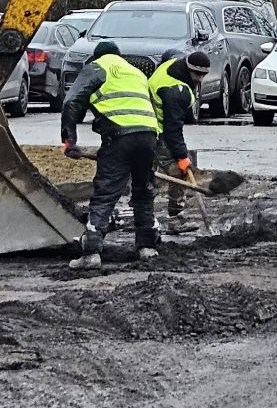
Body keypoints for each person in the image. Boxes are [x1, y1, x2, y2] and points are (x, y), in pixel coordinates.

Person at [60, 40, 161, 270]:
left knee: (106, 193)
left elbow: (72, 101)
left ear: (97, 57)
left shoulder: (98, 67)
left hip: (119, 136)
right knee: (143, 191)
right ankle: (147, 248)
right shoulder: (135, 72)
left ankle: (92, 253)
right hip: (149, 136)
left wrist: (69, 140)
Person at [148, 50, 209, 226]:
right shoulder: (176, 92)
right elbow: (172, 129)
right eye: (197, 74)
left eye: (204, 74)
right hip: (158, 130)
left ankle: (140, 211)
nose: (200, 79)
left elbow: (167, 54)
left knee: (145, 172)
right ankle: (175, 216)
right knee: (178, 171)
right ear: (188, 69)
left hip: (145, 125)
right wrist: (182, 157)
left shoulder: (173, 63)